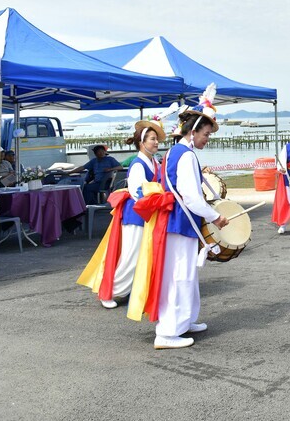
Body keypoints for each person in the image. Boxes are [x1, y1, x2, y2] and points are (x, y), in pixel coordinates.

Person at [124, 85, 228, 350]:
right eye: (205, 134)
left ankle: (186, 320)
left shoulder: (173, 152)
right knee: (179, 275)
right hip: (180, 221)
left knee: (186, 275)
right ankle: (168, 332)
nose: (207, 139)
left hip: (174, 220)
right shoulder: (186, 155)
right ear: (192, 132)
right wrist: (216, 217)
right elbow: (192, 197)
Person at [78, 117, 167, 309]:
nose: (156, 142)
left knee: (141, 255)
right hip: (137, 214)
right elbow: (137, 193)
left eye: (157, 139)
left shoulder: (152, 162)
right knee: (131, 256)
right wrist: (158, 199)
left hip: (146, 213)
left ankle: (129, 289)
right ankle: (111, 291)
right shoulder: (138, 164)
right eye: (152, 139)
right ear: (142, 143)